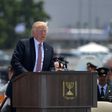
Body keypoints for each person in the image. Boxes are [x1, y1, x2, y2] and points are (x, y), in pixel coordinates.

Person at [5, 21, 54, 111]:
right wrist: (28, 76)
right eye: (41, 31)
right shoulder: (24, 44)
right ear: (34, 32)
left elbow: (51, 67)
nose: (43, 33)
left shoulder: (49, 49)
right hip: (21, 86)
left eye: (45, 31)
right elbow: (15, 61)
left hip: (40, 89)